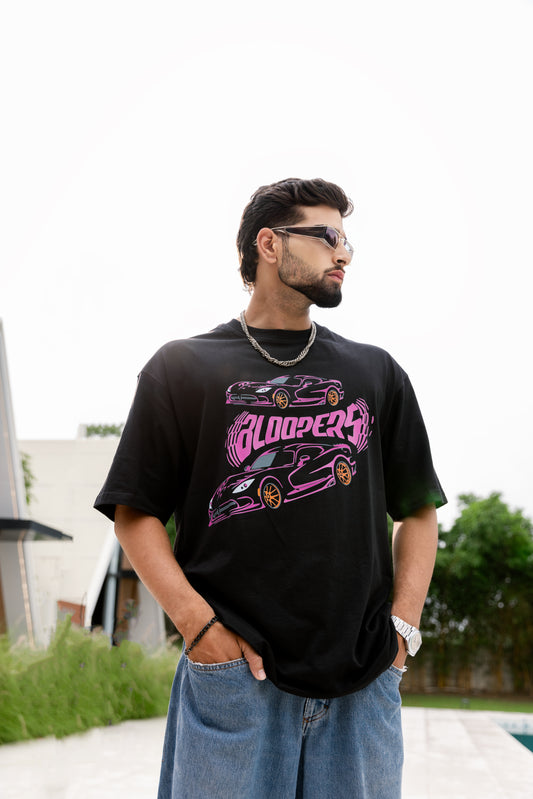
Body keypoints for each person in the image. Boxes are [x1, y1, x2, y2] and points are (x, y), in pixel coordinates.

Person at [95, 177, 446, 798]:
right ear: (268, 244)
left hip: (362, 682)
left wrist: (404, 628)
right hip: (236, 680)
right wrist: (200, 631)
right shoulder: (183, 368)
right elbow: (135, 513)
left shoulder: (376, 372)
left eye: (349, 242)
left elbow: (418, 510)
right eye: (327, 236)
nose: (344, 254)